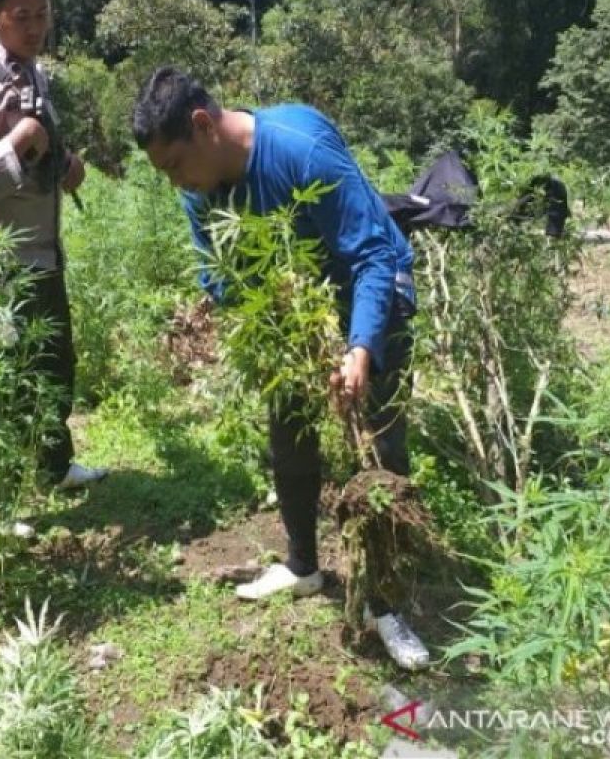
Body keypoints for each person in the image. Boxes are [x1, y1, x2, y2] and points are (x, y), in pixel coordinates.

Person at [132, 67, 428, 669]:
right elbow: (218, 274)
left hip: (371, 292)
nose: (175, 185)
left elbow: (371, 252)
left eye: (174, 167)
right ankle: (303, 566)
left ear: (202, 126)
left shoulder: (299, 153)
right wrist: (274, 325)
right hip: (295, 314)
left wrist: (359, 348)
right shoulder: (203, 191)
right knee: (288, 429)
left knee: (380, 451)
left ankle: (385, 603)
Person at [0, 0, 106, 491]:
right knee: (6, 385)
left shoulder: (36, 75)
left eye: (43, 15)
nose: (36, 28)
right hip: (3, 269)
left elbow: (43, 147)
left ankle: (53, 470)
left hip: (45, 257)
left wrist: (66, 164)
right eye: (23, 17)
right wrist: (17, 142)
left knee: (57, 369)